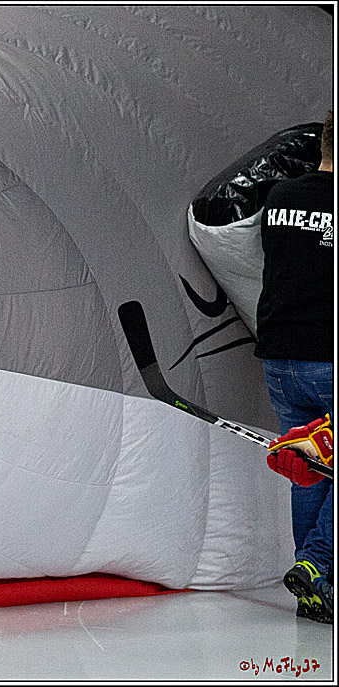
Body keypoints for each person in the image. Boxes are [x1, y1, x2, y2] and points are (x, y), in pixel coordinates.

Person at [255, 109, 334, 623]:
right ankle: (318, 564)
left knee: (307, 473)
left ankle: (314, 590)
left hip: (279, 356)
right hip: (328, 360)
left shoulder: (280, 197)